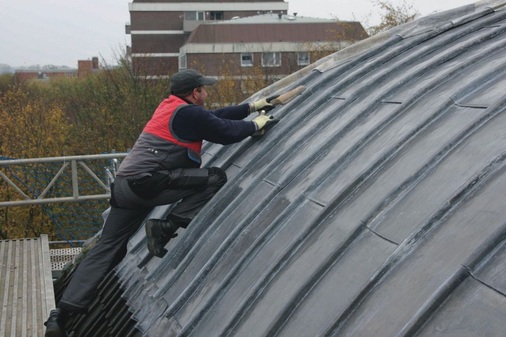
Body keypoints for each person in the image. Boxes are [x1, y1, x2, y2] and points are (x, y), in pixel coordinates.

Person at [44, 68, 280, 337]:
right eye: (204, 89)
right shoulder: (189, 113)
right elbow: (224, 132)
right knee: (214, 178)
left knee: (109, 248)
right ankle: (165, 227)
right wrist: (255, 125)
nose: (206, 93)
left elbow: (214, 118)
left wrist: (250, 107)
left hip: (124, 186)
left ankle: (60, 316)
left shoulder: (172, 108)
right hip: (148, 183)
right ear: (195, 93)